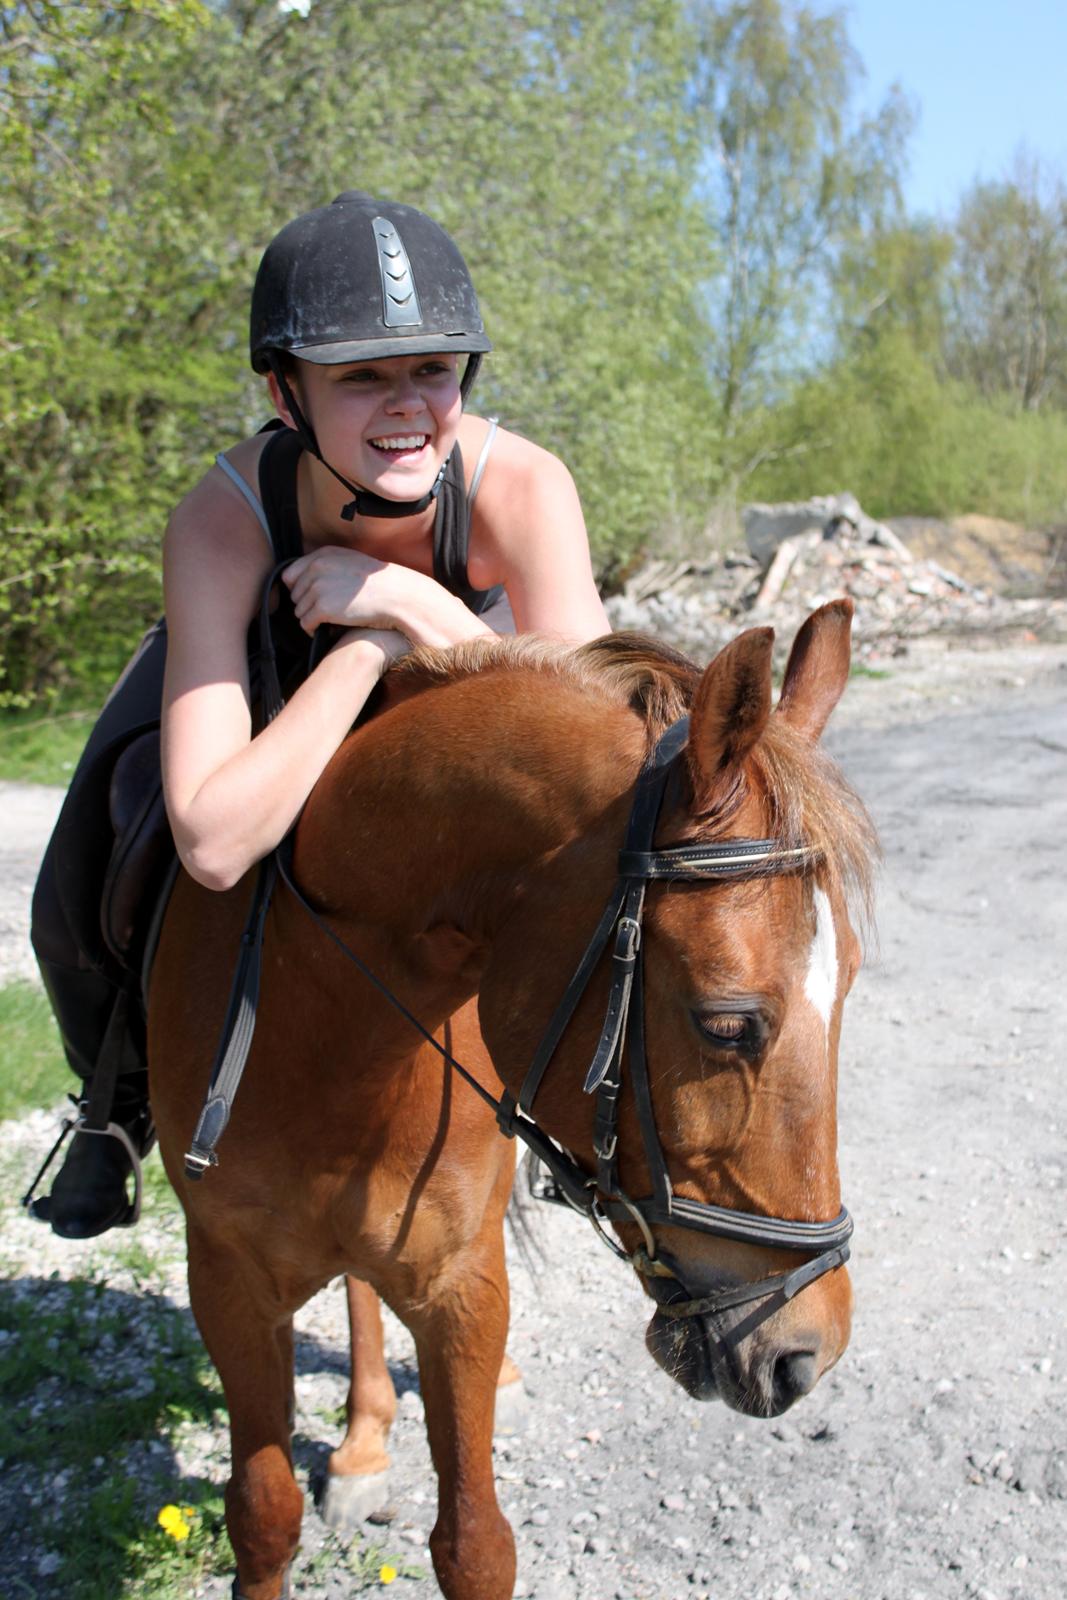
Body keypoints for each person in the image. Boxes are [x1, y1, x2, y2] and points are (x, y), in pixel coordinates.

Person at [29, 190, 609, 1239]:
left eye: (431, 370)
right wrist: (361, 655)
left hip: (466, 680)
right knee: (96, 840)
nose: (406, 406)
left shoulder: (524, 487)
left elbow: (595, 735)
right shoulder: (220, 515)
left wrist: (406, 607)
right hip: (266, 672)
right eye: (361, 378)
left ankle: (578, 1096)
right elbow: (214, 843)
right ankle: (112, 1104)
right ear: (284, 393)